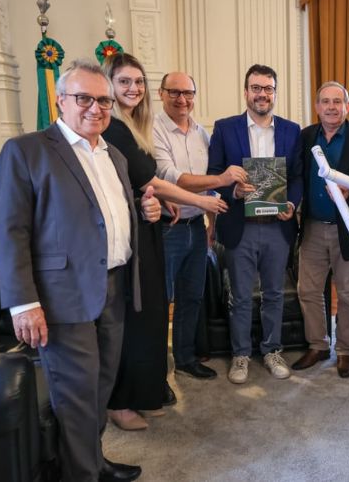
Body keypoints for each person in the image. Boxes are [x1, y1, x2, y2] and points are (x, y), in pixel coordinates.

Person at [0, 58, 161, 481]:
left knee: (101, 386)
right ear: (60, 100)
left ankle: (91, 461)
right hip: (62, 297)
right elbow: (10, 231)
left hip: (114, 288)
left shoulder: (113, 154)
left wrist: (143, 210)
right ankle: (81, 474)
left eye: (103, 100)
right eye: (84, 98)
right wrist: (23, 303)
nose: (95, 108)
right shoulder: (26, 151)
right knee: (76, 395)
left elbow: (104, 215)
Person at [101, 53, 227, 432]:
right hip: (156, 231)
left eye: (137, 81)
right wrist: (205, 199)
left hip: (178, 225)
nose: (132, 88)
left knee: (183, 301)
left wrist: (198, 212)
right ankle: (143, 388)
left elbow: (146, 183)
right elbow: (164, 178)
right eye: (124, 82)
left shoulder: (190, 131)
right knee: (150, 310)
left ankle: (174, 368)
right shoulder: (126, 126)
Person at [208, 64, 303, 384]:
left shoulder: (292, 130)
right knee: (240, 295)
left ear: (275, 92)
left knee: (274, 293)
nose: (262, 94)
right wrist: (232, 191)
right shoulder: (225, 128)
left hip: (277, 226)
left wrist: (291, 203)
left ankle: (272, 349)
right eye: (256, 88)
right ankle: (241, 354)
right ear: (246, 91)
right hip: (240, 225)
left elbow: (298, 177)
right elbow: (214, 173)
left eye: (268, 88)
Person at [153, 71, 248, 384]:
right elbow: (172, 178)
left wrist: (211, 222)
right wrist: (222, 180)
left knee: (192, 296)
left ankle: (184, 359)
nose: (182, 99)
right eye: (175, 92)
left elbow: (208, 183)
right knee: (162, 300)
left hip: (196, 226)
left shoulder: (201, 133)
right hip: (167, 227)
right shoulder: (152, 129)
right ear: (161, 93)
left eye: (188, 93)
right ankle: (155, 370)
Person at [291, 81, 349, 379]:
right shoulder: (305, 136)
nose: (331, 107)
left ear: (347, 106)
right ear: (317, 107)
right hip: (312, 226)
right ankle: (318, 345)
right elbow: (296, 175)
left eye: (337, 101)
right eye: (325, 101)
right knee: (308, 291)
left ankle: (345, 351)